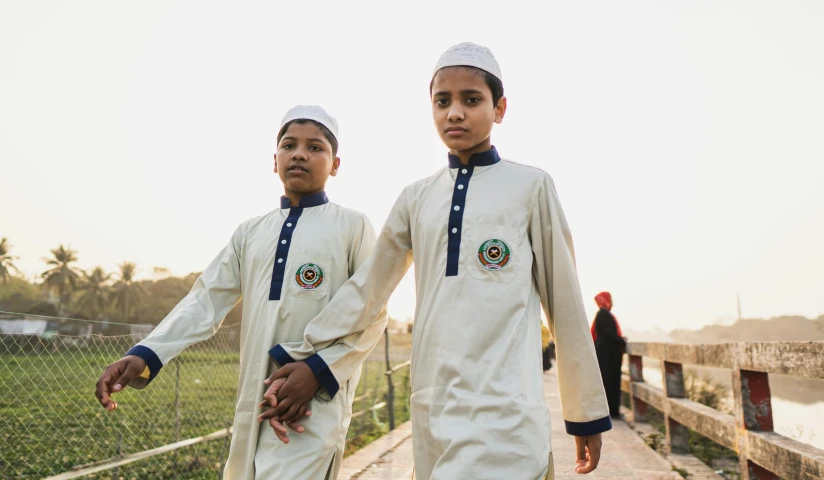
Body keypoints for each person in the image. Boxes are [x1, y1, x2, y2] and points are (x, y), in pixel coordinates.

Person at [259, 43, 611, 478]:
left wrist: (585, 413)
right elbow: (368, 289)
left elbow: (565, 303)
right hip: (432, 407)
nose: (455, 113)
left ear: (500, 109)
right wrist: (311, 359)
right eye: (442, 101)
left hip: (507, 409)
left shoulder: (531, 187)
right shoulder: (417, 197)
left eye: (472, 99)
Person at [93, 105, 386, 479]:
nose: (299, 153)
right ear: (274, 159)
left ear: (335, 164)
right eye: (289, 145)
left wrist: (316, 372)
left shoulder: (353, 226)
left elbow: (372, 311)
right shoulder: (250, 232)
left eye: (315, 147)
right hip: (255, 399)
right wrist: (146, 354)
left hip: (313, 403)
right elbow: (205, 300)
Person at [590, 291, 626, 419]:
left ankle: (609, 410)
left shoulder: (602, 314)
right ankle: (612, 411)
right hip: (608, 355)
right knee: (610, 381)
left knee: (607, 381)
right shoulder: (604, 314)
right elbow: (609, 334)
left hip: (605, 353)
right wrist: (621, 340)